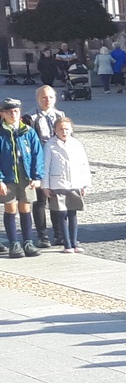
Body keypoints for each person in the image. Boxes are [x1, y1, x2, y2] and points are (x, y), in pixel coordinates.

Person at [0, 98, 45, 258]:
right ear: (3, 114)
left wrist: (37, 176)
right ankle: (14, 243)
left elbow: (37, 154)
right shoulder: (1, 132)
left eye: (16, 111)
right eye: (9, 112)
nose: (13, 114)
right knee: (10, 208)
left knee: (25, 208)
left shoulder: (28, 131)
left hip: (26, 176)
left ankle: (28, 241)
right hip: (7, 177)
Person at [40, 117, 88, 252]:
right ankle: (66, 243)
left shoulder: (76, 144)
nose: (64, 132)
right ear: (55, 130)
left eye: (66, 129)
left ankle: (74, 242)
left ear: (71, 129)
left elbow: (83, 164)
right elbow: (46, 166)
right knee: (62, 214)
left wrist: (84, 184)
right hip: (58, 183)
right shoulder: (50, 145)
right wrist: (45, 185)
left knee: (73, 214)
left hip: (74, 182)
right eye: (60, 129)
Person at [25, 87, 64, 248]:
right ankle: (42, 236)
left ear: (55, 98)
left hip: (55, 163)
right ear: (37, 99)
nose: (47, 100)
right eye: (43, 98)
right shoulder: (30, 117)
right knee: (40, 200)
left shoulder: (60, 116)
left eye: (50, 97)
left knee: (55, 199)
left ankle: (59, 233)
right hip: (38, 163)